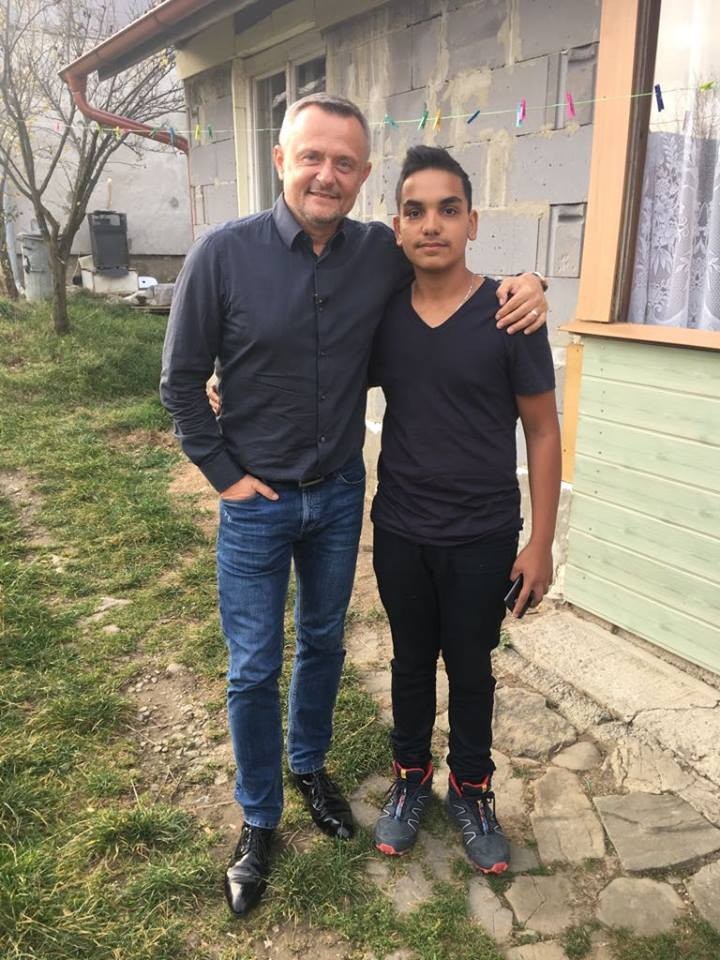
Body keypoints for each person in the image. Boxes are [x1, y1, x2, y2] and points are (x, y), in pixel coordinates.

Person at [160, 93, 549, 917]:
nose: (326, 175)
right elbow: (180, 381)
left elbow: (456, 266)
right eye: (312, 156)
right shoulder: (222, 255)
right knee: (254, 665)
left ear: (363, 174)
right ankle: (259, 817)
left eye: (344, 162)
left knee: (325, 645)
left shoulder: (378, 252)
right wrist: (224, 474)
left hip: (340, 494)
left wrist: (532, 281)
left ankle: (310, 767)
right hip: (258, 500)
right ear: (281, 160)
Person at [370, 145, 561, 874]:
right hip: (400, 528)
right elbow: (311, 362)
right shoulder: (382, 317)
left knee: (472, 667)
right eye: (415, 211)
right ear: (396, 227)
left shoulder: (511, 314)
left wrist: (539, 543)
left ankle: (472, 789)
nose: (432, 225)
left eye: (448, 209)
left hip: (483, 534)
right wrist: (231, 383)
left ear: (472, 222)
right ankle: (410, 778)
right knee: (411, 661)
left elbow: (542, 431)